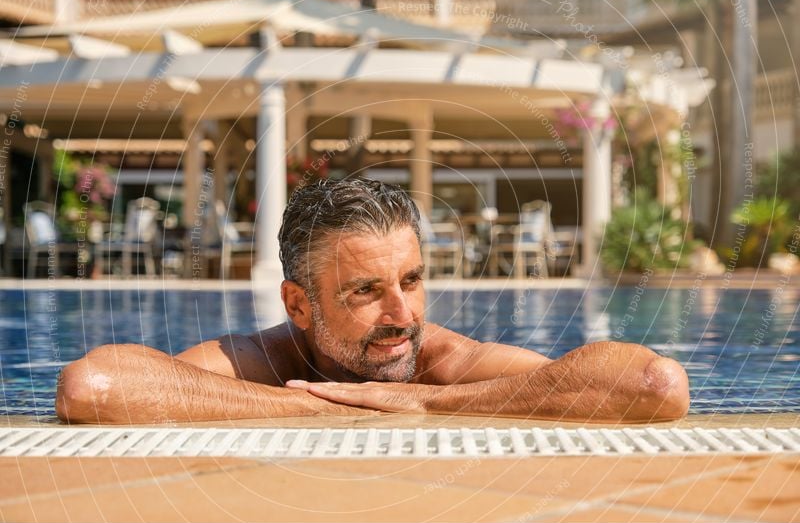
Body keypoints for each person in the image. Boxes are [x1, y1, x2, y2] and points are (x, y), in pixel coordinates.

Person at [56, 179, 690, 424]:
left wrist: (428, 400)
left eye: (410, 281)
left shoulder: (443, 362)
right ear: (299, 306)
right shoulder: (261, 363)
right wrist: (314, 409)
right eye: (365, 291)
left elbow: (656, 385)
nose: (403, 315)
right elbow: (92, 387)